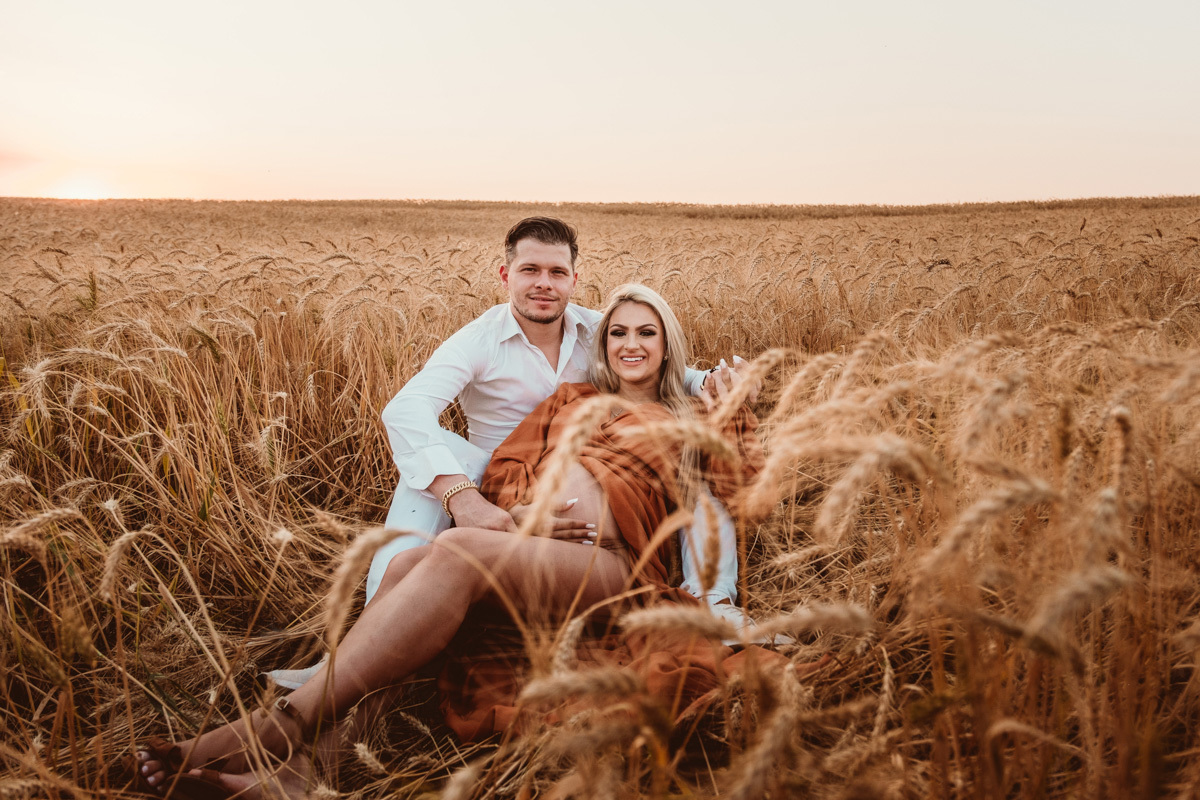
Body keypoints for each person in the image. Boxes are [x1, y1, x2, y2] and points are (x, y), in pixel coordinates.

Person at [133, 285, 766, 799]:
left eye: (646, 332)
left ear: (668, 345)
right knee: (410, 563)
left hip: (618, 569)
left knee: (456, 553)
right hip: (539, 553)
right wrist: (525, 519)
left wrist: (733, 398)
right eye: (619, 332)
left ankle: (277, 726)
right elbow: (506, 475)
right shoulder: (570, 399)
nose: (631, 343)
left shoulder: (693, 417)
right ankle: (309, 769)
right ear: (603, 343)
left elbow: (739, 493)